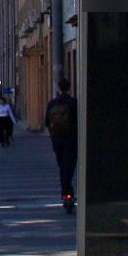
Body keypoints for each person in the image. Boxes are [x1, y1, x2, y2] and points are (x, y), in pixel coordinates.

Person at [45, 80, 78, 212]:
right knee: (69, 167)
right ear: (69, 88)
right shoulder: (74, 103)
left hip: (57, 140)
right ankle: (68, 194)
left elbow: (47, 122)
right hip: (71, 139)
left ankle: (66, 194)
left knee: (62, 166)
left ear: (59, 88)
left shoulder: (52, 103)